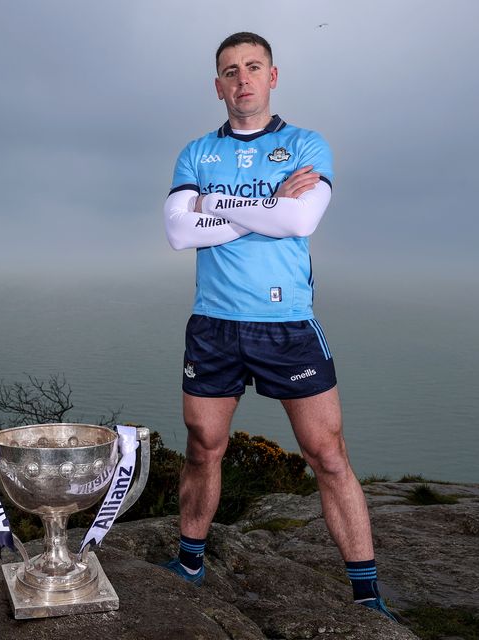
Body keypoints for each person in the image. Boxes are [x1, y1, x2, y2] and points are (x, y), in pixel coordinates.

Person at [161, 32, 397, 621]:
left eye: (253, 67)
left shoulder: (306, 145)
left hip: (286, 323)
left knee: (329, 456)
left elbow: (300, 219)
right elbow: (177, 232)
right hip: (213, 325)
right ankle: (190, 560)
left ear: (273, 76)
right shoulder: (195, 153)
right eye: (229, 70)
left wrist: (219, 209)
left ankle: (367, 595)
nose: (242, 78)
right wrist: (268, 204)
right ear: (217, 86)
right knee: (201, 448)